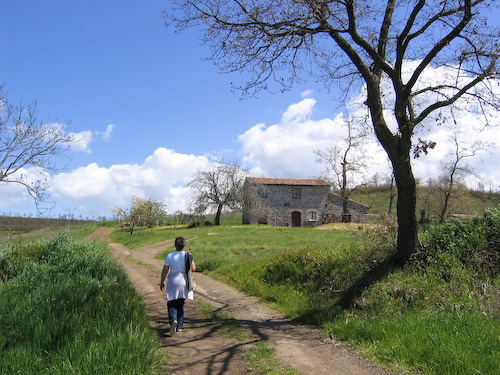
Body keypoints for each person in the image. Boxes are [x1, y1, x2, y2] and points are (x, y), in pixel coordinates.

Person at [160, 236, 196, 336]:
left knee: (172, 302)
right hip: (184, 281)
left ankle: (173, 321)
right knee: (181, 303)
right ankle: (180, 326)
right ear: (184, 245)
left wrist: (162, 281)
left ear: (175, 245)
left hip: (173, 281)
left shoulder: (170, 255)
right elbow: (193, 269)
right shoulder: (188, 255)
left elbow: (165, 270)